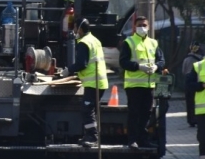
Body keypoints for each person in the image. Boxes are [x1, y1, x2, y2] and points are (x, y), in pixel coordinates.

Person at [60, 18, 108, 147]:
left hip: (93, 82)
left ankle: (92, 137)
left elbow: (82, 63)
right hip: (100, 81)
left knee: (87, 109)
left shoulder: (84, 43)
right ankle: (90, 135)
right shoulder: (95, 40)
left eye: (75, 27)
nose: (74, 30)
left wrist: (68, 70)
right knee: (91, 109)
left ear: (79, 28)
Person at [119, 15, 165, 149]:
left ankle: (143, 139)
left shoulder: (153, 43)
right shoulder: (129, 42)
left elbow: (161, 60)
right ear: (134, 27)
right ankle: (132, 140)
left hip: (149, 84)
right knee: (134, 113)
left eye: (144, 25)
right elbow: (123, 62)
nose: (142, 28)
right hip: (134, 85)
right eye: (139, 25)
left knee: (146, 113)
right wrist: (139, 67)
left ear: (149, 26)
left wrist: (156, 66)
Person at [182, 41, 203, 128]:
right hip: (199, 82)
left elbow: (183, 71)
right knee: (198, 101)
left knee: (189, 102)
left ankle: (191, 120)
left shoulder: (186, 59)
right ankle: (198, 118)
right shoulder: (202, 60)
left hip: (188, 82)